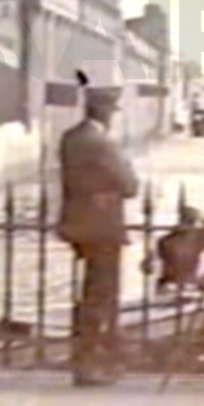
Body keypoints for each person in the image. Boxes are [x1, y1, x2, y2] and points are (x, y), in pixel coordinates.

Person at [57, 83, 140, 387]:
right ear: (104, 112)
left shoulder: (70, 138)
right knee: (103, 296)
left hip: (78, 224)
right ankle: (92, 362)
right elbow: (130, 185)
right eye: (111, 111)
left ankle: (84, 357)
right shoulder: (102, 143)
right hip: (103, 227)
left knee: (89, 293)